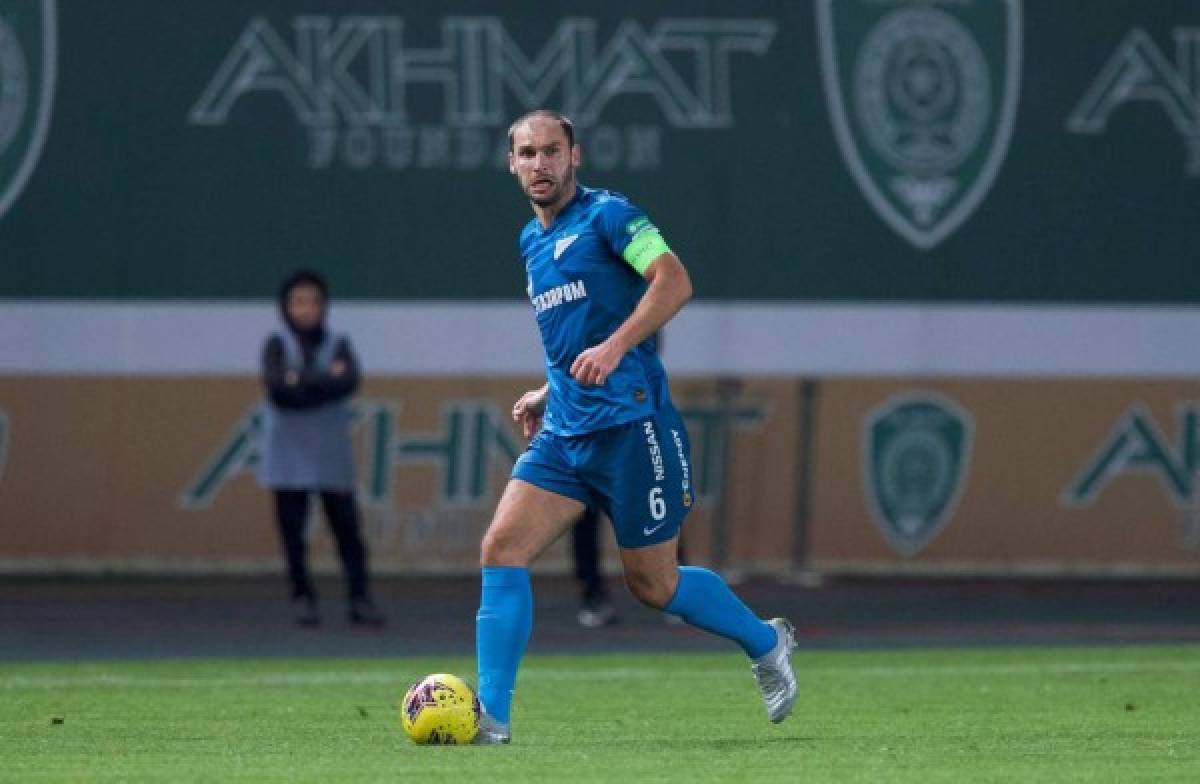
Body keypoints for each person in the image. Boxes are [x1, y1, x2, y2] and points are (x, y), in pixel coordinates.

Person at [472, 110, 796, 744]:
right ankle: (493, 718)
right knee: (501, 549)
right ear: (511, 164)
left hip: (633, 427)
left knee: (654, 584)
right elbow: (574, 330)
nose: (541, 164)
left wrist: (617, 347)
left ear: (575, 156)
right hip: (567, 433)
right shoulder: (530, 240)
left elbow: (673, 281)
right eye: (528, 153)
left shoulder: (611, 216)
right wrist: (549, 388)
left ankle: (766, 641)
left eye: (552, 151)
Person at [258, 269, 384, 628]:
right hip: (287, 457)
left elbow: (347, 382)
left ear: (324, 306)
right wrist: (322, 380)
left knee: (348, 533)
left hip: (331, 456)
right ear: (286, 306)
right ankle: (303, 598)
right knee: (293, 536)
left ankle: (360, 599)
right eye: (298, 302)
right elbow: (279, 390)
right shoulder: (276, 343)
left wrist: (301, 381)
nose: (306, 309)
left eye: (313, 301)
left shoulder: (339, 341)